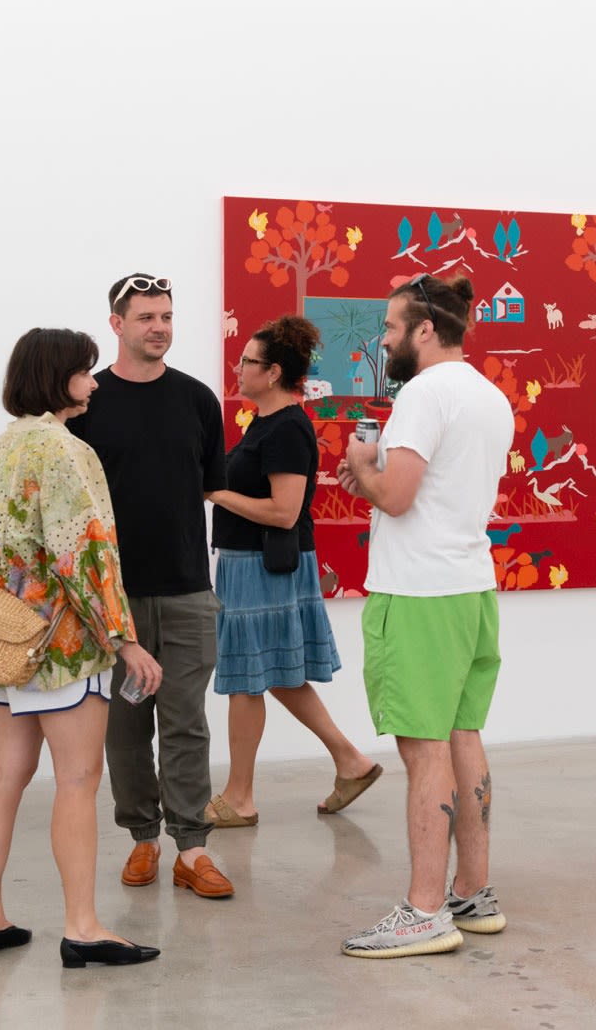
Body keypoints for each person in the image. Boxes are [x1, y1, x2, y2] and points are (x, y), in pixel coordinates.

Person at [0, 327, 164, 967]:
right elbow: (88, 557)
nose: (95, 381)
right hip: (62, 645)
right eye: (84, 371)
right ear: (58, 378)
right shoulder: (66, 452)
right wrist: (123, 639)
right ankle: (82, 927)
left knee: (3, 776)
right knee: (77, 780)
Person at [337, 274, 514, 958]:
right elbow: (429, 489)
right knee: (463, 733)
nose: (383, 340)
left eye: (390, 328)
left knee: (423, 747)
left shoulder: (421, 394)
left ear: (424, 330)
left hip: (418, 592)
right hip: (470, 585)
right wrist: (380, 480)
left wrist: (363, 467)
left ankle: (423, 908)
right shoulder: (489, 394)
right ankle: (473, 891)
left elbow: (401, 496)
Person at [66, 275, 234, 899]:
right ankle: (143, 837)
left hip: (189, 588)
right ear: (116, 323)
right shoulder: (88, 403)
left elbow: (207, 488)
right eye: (144, 317)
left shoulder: (196, 399)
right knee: (127, 729)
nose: (158, 326)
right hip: (116, 596)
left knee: (187, 722)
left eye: (166, 315)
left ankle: (192, 848)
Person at [203, 315, 381, 828]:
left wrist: (215, 493)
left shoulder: (285, 429)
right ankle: (351, 761)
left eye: (248, 362)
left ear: (274, 371)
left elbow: (285, 511)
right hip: (252, 564)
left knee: (247, 681)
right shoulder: (268, 424)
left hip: (264, 566)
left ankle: (239, 797)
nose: (238, 369)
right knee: (274, 675)